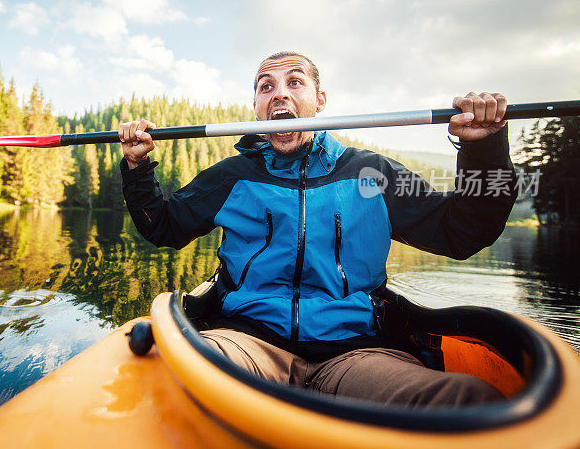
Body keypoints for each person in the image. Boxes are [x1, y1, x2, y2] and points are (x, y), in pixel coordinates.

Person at [118, 51, 516, 407]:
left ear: (319, 101)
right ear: (256, 107)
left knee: (469, 400)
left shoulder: (371, 173)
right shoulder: (232, 177)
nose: (279, 94)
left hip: (356, 353)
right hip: (247, 341)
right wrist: (137, 169)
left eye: (294, 82)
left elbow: (461, 233)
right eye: (266, 87)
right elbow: (163, 227)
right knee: (172, 382)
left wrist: (484, 148)